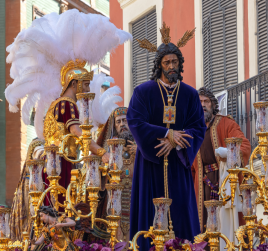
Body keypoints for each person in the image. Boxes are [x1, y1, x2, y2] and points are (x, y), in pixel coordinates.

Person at [4, 10, 132, 212]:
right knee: (61, 211)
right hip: (60, 164)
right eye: (86, 84)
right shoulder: (66, 104)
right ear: (75, 83)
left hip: (63, 162)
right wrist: (101, 153)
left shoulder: (60, 103)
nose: (89, 90)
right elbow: (76, 132)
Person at [127, 22, 206, 250]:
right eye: (166, 62)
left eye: (175, 61)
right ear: (159, 64)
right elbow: (135, 121)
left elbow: (198, 127)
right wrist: (166, 133)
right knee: (149, 213)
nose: (171, 66)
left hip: (177, 164)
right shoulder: (143, 92)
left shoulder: (190, 94)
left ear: (180, 64)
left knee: (182, 211)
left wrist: (176, 142)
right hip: (151, 163)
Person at [191, 87, 251, 241]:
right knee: (202, 226)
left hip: (224, 181)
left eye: (206, 101)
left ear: (213, 105)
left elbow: (244, 146)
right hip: (201, 185)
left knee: (226, 225)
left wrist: (227, 153)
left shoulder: (226, 123)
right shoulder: (192, 130)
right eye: (199, 102)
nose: (203, 105)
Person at [95, 107, 137, 245]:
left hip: (136, 199)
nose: (121, 125)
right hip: (114, 204)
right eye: (118, 122)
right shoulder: (109, 150)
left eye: (124, 121)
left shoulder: (140, 147)